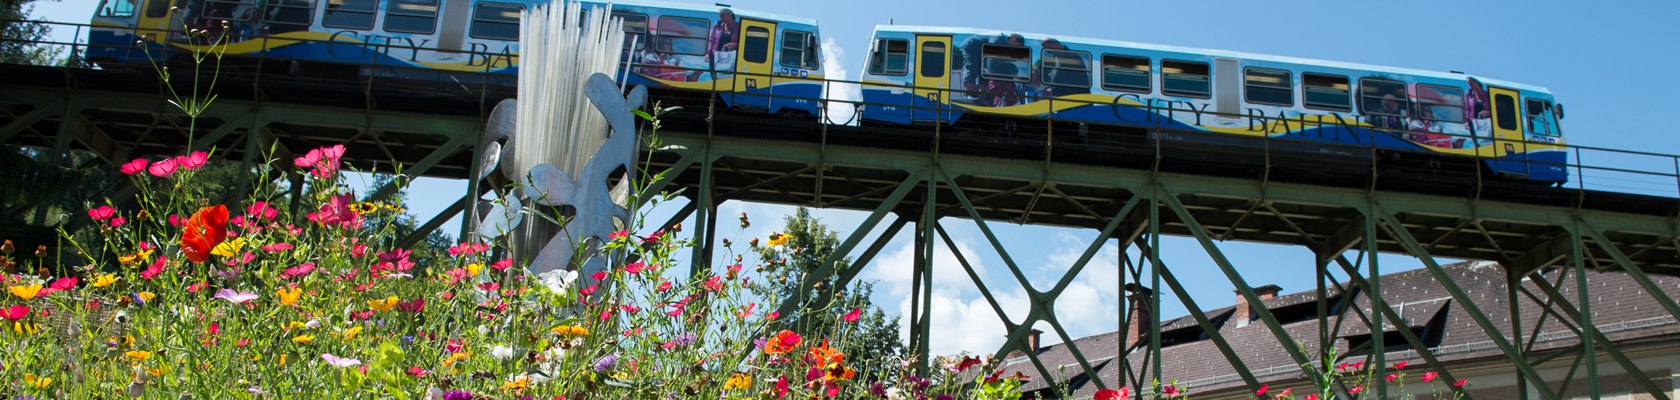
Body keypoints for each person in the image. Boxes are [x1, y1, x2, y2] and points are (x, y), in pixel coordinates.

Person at [706, 8, 738, 80]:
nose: (720, 17)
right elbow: (711, 41)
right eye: (720, 16)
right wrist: (708, 53)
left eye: (722, 15)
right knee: (714, 79)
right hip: (715, 57)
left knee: (726, 79)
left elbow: (742, 43)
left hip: (730, 58)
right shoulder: (717, 26)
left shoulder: (738, 27)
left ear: (729, 15)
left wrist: (734, 45)